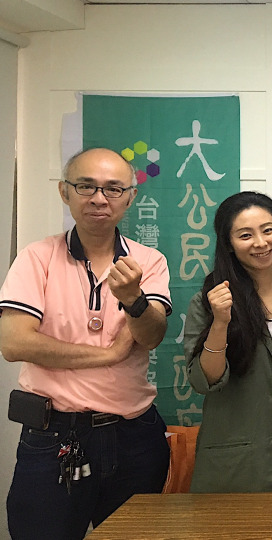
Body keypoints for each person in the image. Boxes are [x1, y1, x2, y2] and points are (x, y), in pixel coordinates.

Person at [0, 148, 172, 539]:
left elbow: (151, 335)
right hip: (54, 438)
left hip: (134, 436)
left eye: (113, 188)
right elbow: (14, 343)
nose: (99, 198)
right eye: (86, 186)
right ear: (65, 192)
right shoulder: (37, 257)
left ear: (130, 197)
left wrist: (134, 299)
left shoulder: (149, 261)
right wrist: (109, 353)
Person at [183, 191, 272, 492]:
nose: (261, 243)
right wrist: (220, 322)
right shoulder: (208, 300)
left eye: (268, 230)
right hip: (233, 461)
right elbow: (204, 380)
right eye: (246, 235)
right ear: (229, 243)